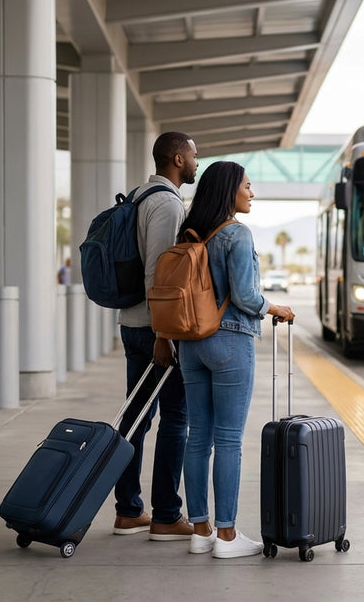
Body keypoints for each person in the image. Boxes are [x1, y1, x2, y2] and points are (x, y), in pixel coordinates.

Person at [175, 161, 294, 558]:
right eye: (247, 185)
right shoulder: (236, 235)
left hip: (191, 342)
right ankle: (226, 536)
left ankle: (200, 530)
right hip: (230, 341)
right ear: (230, 191)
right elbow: (245, 297)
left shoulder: (191, 233)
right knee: (228, 440)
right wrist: (275, 307)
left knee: (198, 439)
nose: (252, 192)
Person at [112, 131, 197, 542]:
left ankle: (129, 510)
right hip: (153, 329)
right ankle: (165, 514)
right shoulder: (165, 203)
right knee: (174, 419)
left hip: (134, 322)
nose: (197, 163)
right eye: (194, 156)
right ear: (178, 159)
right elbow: (160, 275)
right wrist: (164, 333)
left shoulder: (139, 195)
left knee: (136, 418)